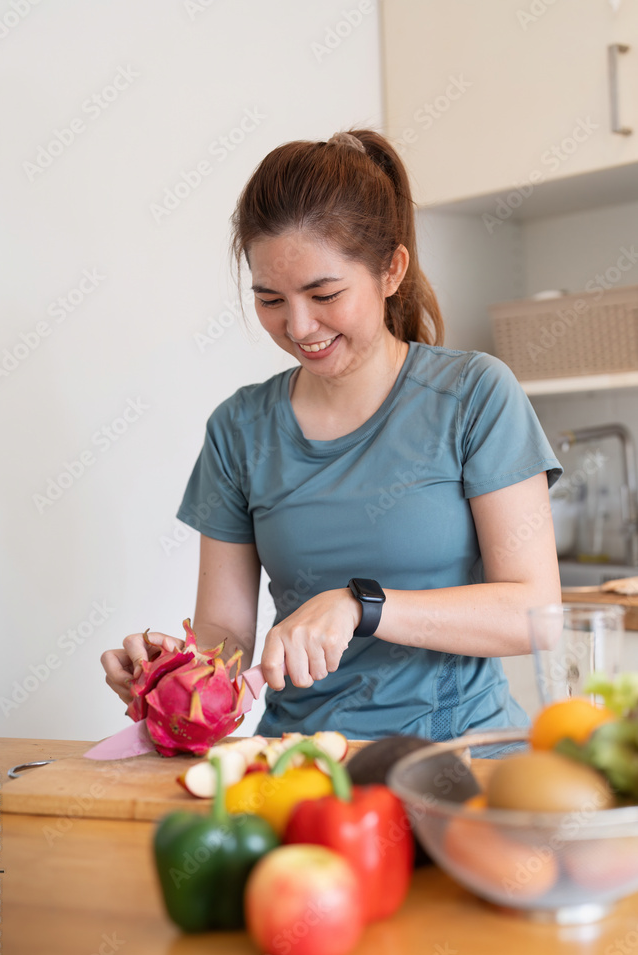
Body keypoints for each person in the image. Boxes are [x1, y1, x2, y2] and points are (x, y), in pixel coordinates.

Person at [101, 128, 562, 744]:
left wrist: (361, 605)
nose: (298, 325)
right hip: (298, 759)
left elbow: (537, 615)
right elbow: (227, 643)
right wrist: (174, 676)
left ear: (391, 270)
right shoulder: (239, 429)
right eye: (270, 299)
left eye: (324, 294)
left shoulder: (473, 396)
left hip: (456, 756)